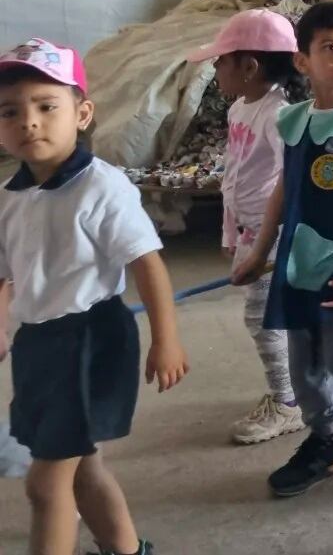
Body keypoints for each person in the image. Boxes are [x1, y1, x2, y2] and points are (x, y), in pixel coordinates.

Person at [0, 38, 189, 555]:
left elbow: (147, 263)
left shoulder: (101, 188)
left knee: (45, 485)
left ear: (82, 114)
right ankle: (127, 551)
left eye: (46, 106)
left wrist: (165, 340)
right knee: (82, 467)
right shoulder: (11, 197)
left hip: (89, 342)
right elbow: (7, 274)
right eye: (10, 111)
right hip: (39, 344)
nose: (28, 121)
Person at [232, 1, 333, 498]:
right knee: (305, 364)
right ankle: (326, 443)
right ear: (303, 60)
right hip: (299, 264)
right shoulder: (293, 121)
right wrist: (259, 252)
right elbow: (284, 187)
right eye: (329, 48)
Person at [186, 9, 303, 446]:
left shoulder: (279, 115)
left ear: (250, 66)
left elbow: (291, 183)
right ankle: (293, 389)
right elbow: (235, 177)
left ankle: (287, 402)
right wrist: (229, 234)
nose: (215, 69)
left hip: (271, 237)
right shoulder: (241, 108)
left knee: (263, 319)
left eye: (221, 60)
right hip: (249, 233)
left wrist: (263, 248)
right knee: (268, 319)